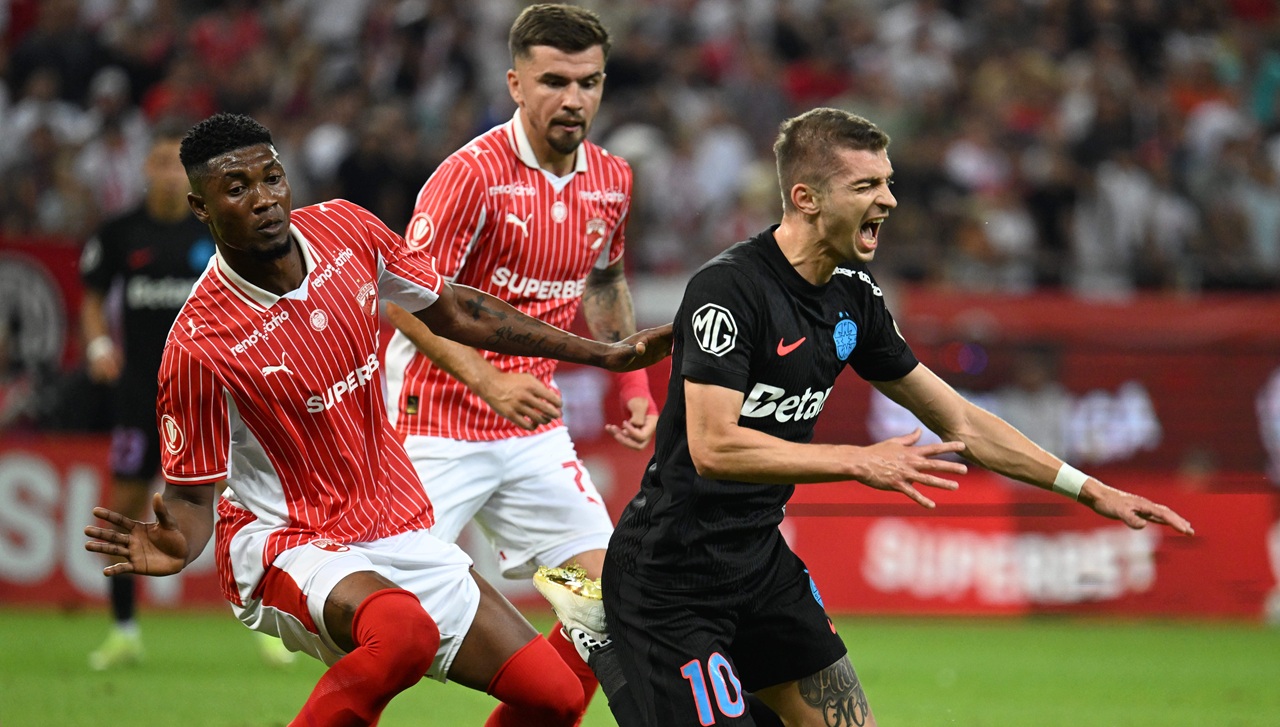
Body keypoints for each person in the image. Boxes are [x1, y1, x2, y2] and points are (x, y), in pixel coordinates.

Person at [540, 108, 1195, 727]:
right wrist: (857, 460)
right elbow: (713, 447)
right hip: (670, 575)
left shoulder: (854, 297)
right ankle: (609, 642)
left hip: (760, 562)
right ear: (806, 198)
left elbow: (962, 421)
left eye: (888, 181)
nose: (889, 200)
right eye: (866, 185)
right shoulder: (730, 289)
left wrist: (1088, 488)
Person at [83, 112, 670, 727]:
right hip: (289, 539)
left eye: (272, 178)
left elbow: (455, 309)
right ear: (200, 207)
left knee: (557, 697)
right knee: (403, 634)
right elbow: (190, 498)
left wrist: (602, 354)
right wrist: (178, 543)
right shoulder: (199, 344)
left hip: (394, 523)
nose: (263, 199)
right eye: (236, 188)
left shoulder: (346, 229)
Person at [382, 4, 656, 717]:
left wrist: (631, 380)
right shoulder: (469, 176)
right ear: (515, 84)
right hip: (430, 426)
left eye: (589, 82)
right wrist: (488, 378)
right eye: (554, 81)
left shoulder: (612, 179)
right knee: (390, 629)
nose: (574, 99)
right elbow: (401, 299)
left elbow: (605, 282)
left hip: (530, 430)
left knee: (612, 606)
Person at [79, 121, 291, 670]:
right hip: (140, 396)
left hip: (213, 394)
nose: (168, 175)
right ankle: (123, 630)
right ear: (145, 170)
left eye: (175, 165)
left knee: (242, 503)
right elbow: (92, 297)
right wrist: (99, 344)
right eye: (158, 164)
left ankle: (268, 621)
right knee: (127, 507)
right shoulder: (121, 233)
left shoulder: (219, 230)